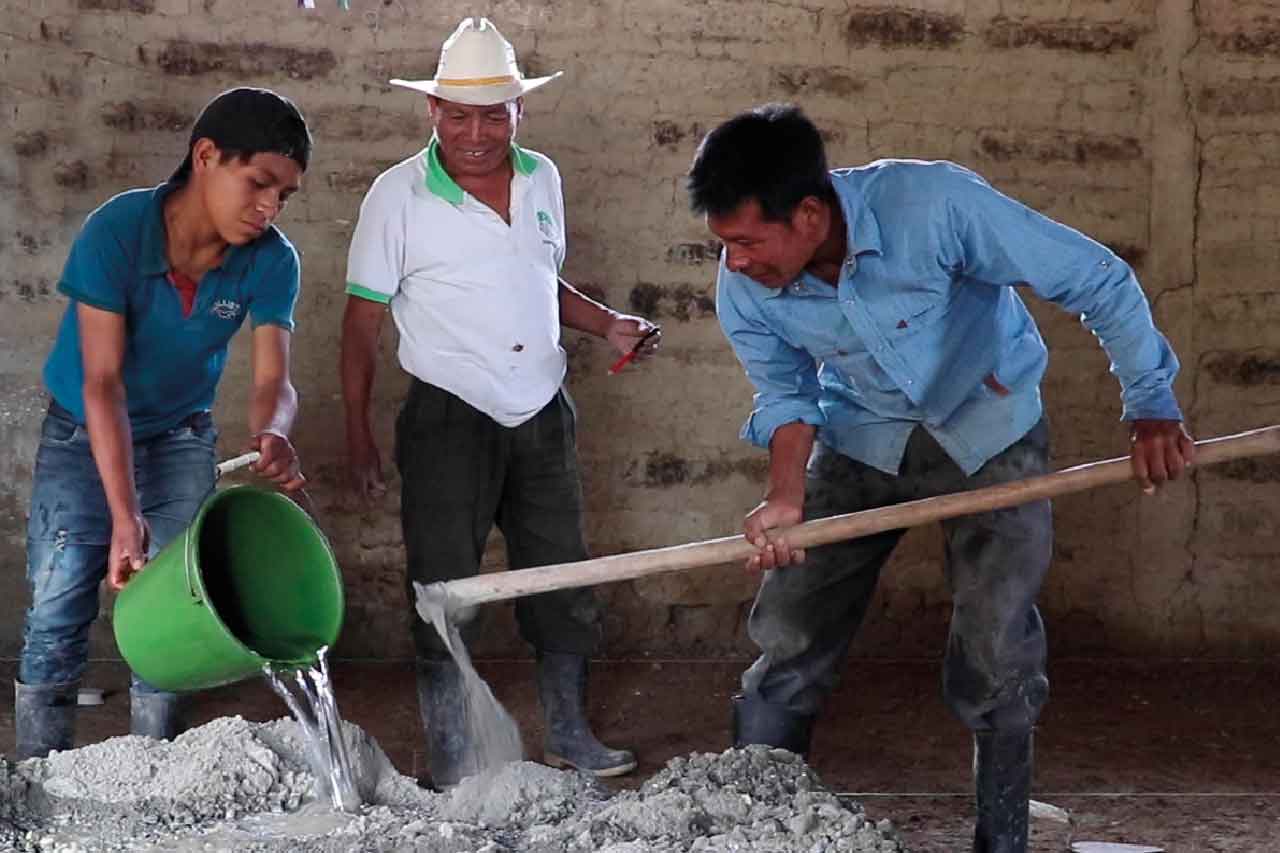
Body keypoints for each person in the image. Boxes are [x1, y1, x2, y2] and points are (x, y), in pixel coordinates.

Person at [687, 103, 1195, 853]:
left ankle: (1001, 837)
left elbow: (1095, 278)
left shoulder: (932, 205)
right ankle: (753, 828)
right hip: (863, 436)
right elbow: (788, 395)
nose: (737, 262)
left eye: (748, 242)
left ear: (807, 213)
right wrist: (786, 496)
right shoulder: (744, 286)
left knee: (996, 640)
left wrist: (1150, 402)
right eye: (723, 244)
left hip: (990, 431)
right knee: (792, 624)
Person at [340, 17, 658, 787]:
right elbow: (361, 321)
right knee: (444, 584)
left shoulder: (542, 177)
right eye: (459, 115)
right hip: (450, 414)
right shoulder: (399, 195)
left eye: (493, 114)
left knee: (560, 572)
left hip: (542, 408)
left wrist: (607, 323)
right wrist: (358, 430)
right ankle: (453, 747)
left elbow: (536, 284)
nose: (475, 133)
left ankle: (570, 732)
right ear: (433, 113)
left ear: (520, 113)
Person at [14, 87, 312, 760]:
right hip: (82, 431)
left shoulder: (272, 259)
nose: (269, 208)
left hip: (180, 436)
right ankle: (36, 774)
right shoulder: (117, 232)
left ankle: (155, 771)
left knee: (176, 605)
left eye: (284, 196)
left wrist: (275, 429)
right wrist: (124, 513)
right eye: (259, 183)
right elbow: (102, 382)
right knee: (59, 602)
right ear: (206, 156)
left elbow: (272, 381)